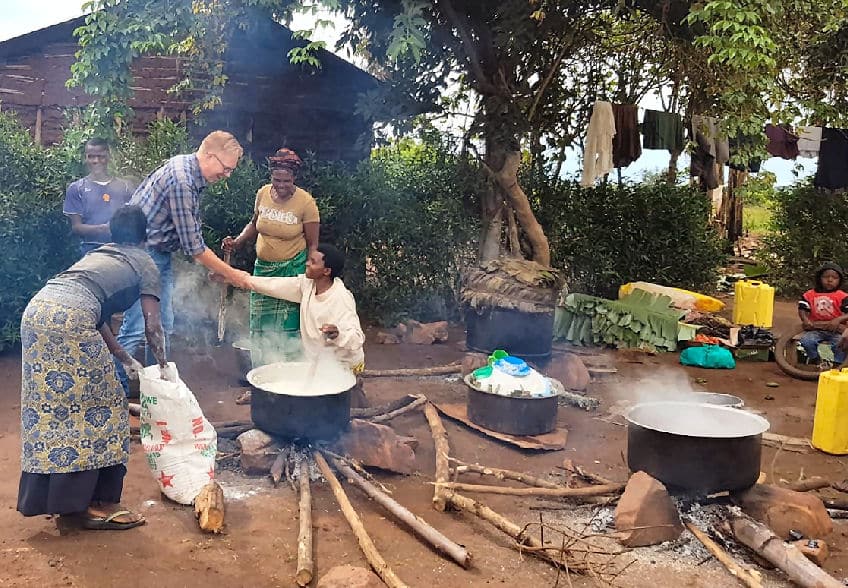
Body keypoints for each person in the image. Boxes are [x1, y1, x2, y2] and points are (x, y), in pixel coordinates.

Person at [18, 205, 169, 530]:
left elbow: (96, 313)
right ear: (145, 236)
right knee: (106, 406)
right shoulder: (145, 261)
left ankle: (60, 500)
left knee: (51, 406)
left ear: (112, 233)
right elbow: (152, 324)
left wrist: (124, 358)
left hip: (36, 314)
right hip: (70, 321)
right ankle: (97, 505)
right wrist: (164, 366)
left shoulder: (99, 255)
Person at [116, 131, 252, 393]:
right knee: (135, 328)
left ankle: (155, 390)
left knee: (163, 324)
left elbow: (189, 235)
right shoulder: (182, 180)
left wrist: (215, 269)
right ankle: (113, 391)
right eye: (226, 168)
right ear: (210, 155)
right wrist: (235, 276)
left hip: (158, 256)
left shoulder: (188, 171)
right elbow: (194, 247)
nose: (227, 175)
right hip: (142, 256)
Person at [218, 244, 365, 400]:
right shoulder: (307, 285)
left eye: (313, 262)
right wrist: (238, 278)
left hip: (342, 366)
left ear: (326, 271)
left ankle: (355, 392)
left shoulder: (341, 298)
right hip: (318, 363)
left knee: (336, 407)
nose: (307, 263)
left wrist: (338, 334)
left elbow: (357, 338)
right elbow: (273, 285)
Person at [223, 148, 320, 366]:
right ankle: (261, 377)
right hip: (263, 270)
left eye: (286, 180)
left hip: (291, 272)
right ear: (271, 176)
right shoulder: (263, 193)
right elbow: (254, 223)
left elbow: (313, 244)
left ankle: (289, 377)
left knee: (287, 327)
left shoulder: (306, 203)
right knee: (259, 325)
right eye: (277, 179)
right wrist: (237, 242)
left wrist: (311, 272)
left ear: (294, 178)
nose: (281, 185)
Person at [63, 138, 135, 256]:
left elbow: (134, 220)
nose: (96, 161)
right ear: (85, 158)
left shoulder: (125, 187)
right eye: (91, 156)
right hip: (90, 252)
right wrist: (103, 229)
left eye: (101, 156)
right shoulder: (76, 188)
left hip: (122, 252)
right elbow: (76, 227)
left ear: (108, 157)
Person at [798, 261, 848, 365]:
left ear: (839, 281)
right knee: (807, 341)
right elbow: (802, 308)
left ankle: (838, 364)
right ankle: (814, 358)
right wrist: (805, 320)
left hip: (838, 330)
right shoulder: (809, 295)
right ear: (819, 278)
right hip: (815, 329)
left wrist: (838, 320)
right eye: (826, 277)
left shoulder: (843, 296)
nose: (830, 280)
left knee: (841, 344)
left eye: (834, 278)